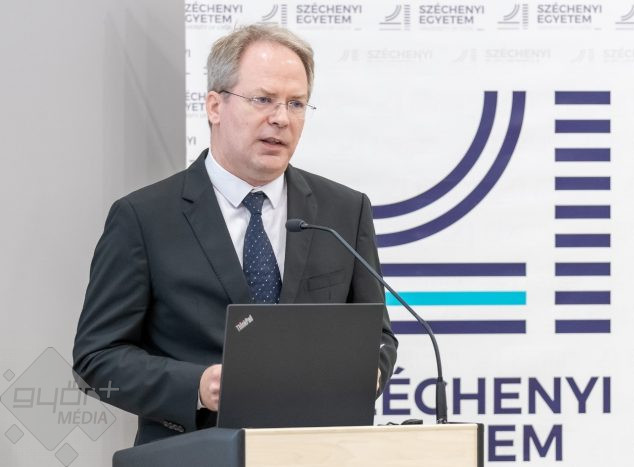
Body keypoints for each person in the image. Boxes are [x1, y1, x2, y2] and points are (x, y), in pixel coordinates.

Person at [72, 24, 398, 445]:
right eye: (263, 99)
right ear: (215, 106)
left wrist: (365, 374)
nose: (281, 118)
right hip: (193, 451)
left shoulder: (344, 211)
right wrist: (197, 386)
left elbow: (377, 338)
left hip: (316, 451)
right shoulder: (144, 217)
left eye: (296, 103)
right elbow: (95, 360)